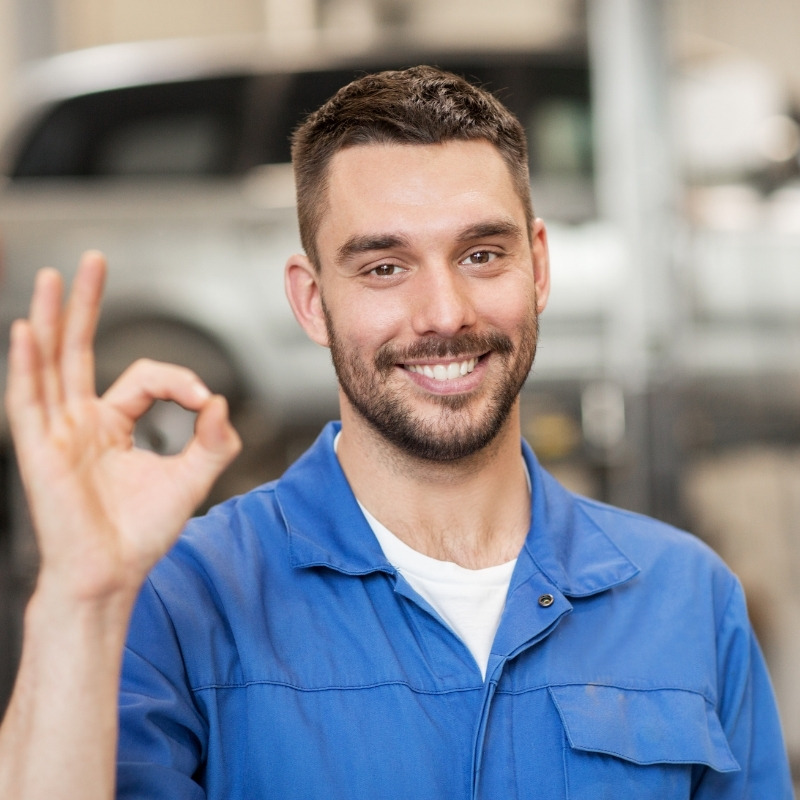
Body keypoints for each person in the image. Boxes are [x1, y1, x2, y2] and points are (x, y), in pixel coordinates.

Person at [0, 66, 793, 799]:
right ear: (312, 301)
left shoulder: (686, 598)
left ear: (539, 267)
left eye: (482, 254)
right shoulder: (182, 600)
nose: (445, 312)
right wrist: (79, 593)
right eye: (384, 267)